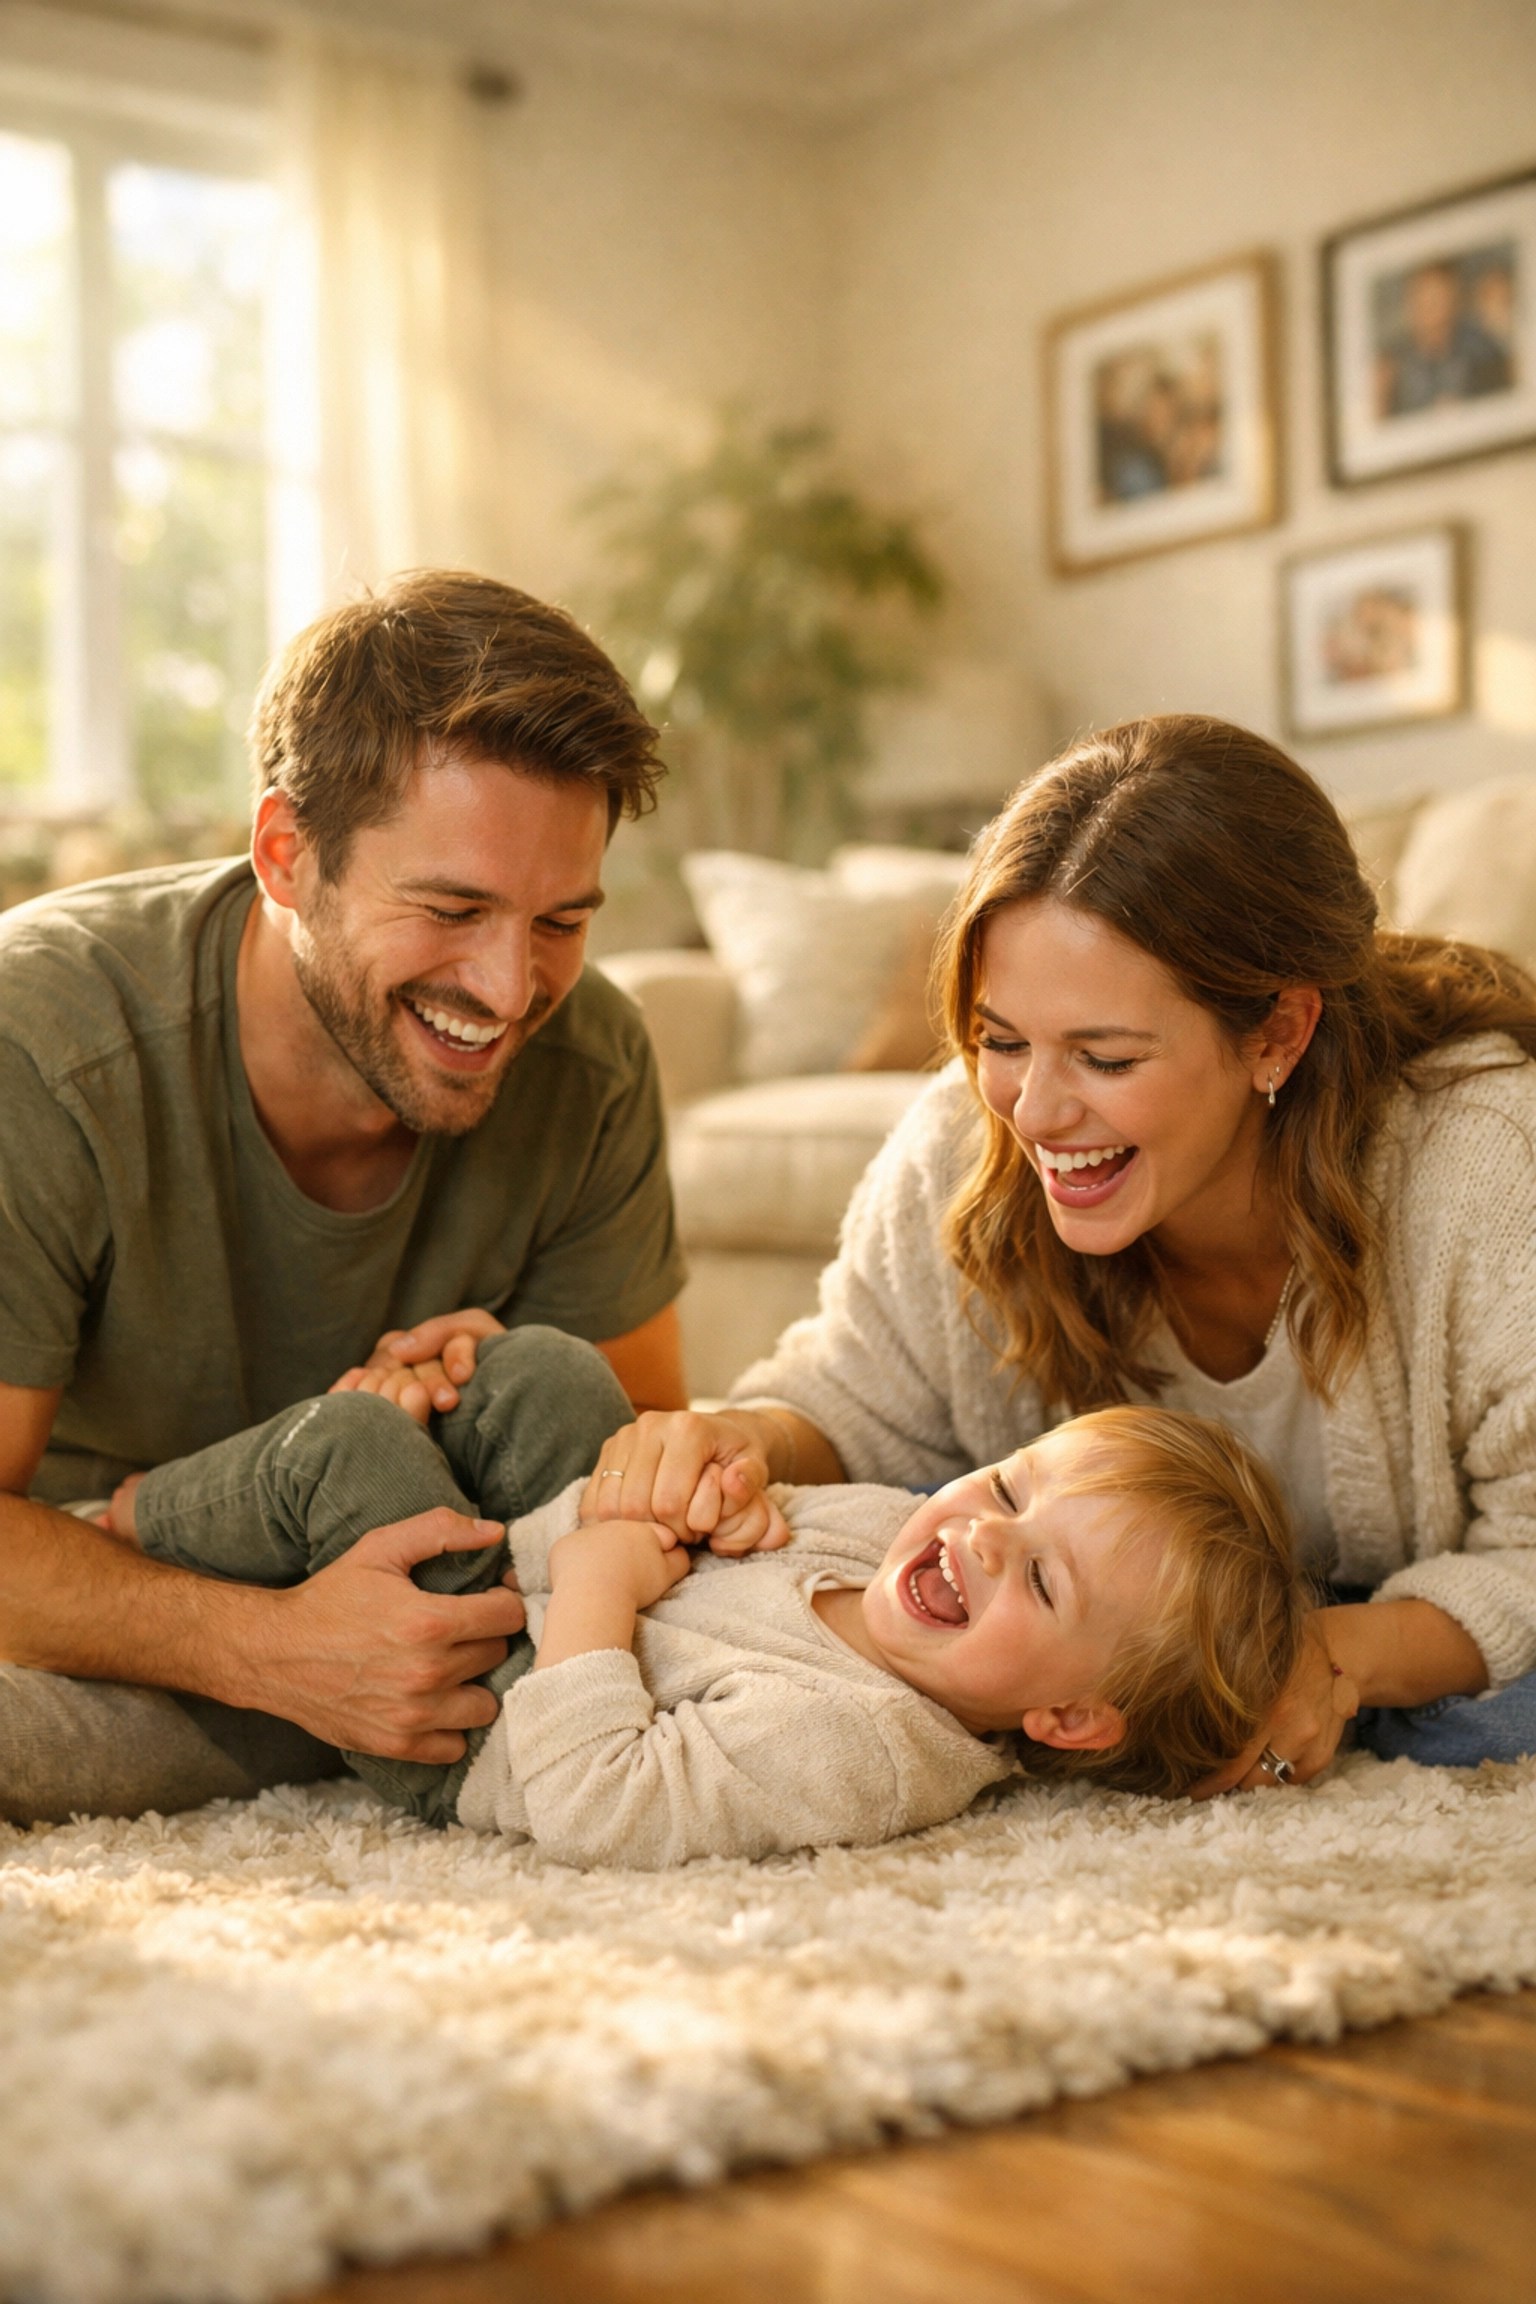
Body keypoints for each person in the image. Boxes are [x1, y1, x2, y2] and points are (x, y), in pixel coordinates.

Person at [582, 716, 1536, 1794]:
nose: (1033, 1110)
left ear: (1276, 1035)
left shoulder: (1485, 1165)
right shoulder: (963, 1135)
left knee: (1495, 1707)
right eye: (1001, 1040)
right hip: (1087, 1619)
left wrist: (1332, 1659)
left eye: (1106, 1056)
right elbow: (855, 1403)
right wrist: (732, 1438)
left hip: (1409, 1594)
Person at [0, 571, 687, 1825]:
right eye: (451, 909)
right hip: (98, 1587)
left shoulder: (592, 1059)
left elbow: (637, 1456)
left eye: (560, 921)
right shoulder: (43, 1040)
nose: (508, 986)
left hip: (420, 1576)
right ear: (285, 854)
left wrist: (502, 1364)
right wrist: (270, 1653)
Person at [97, 1326, 1304, 1866]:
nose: (982, 1535)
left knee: (350, 1447)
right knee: (550, 1374)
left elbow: (593, 1804)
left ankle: (128, 1520)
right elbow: (720, 1540)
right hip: (560, 1586)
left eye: (1040, 1576)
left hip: (485, 1720)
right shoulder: (898, 1537)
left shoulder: (861, 1750)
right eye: (1002, 1487)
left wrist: (593, 1583)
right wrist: (714, 1507)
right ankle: (319, 1511)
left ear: (1068, 1721)